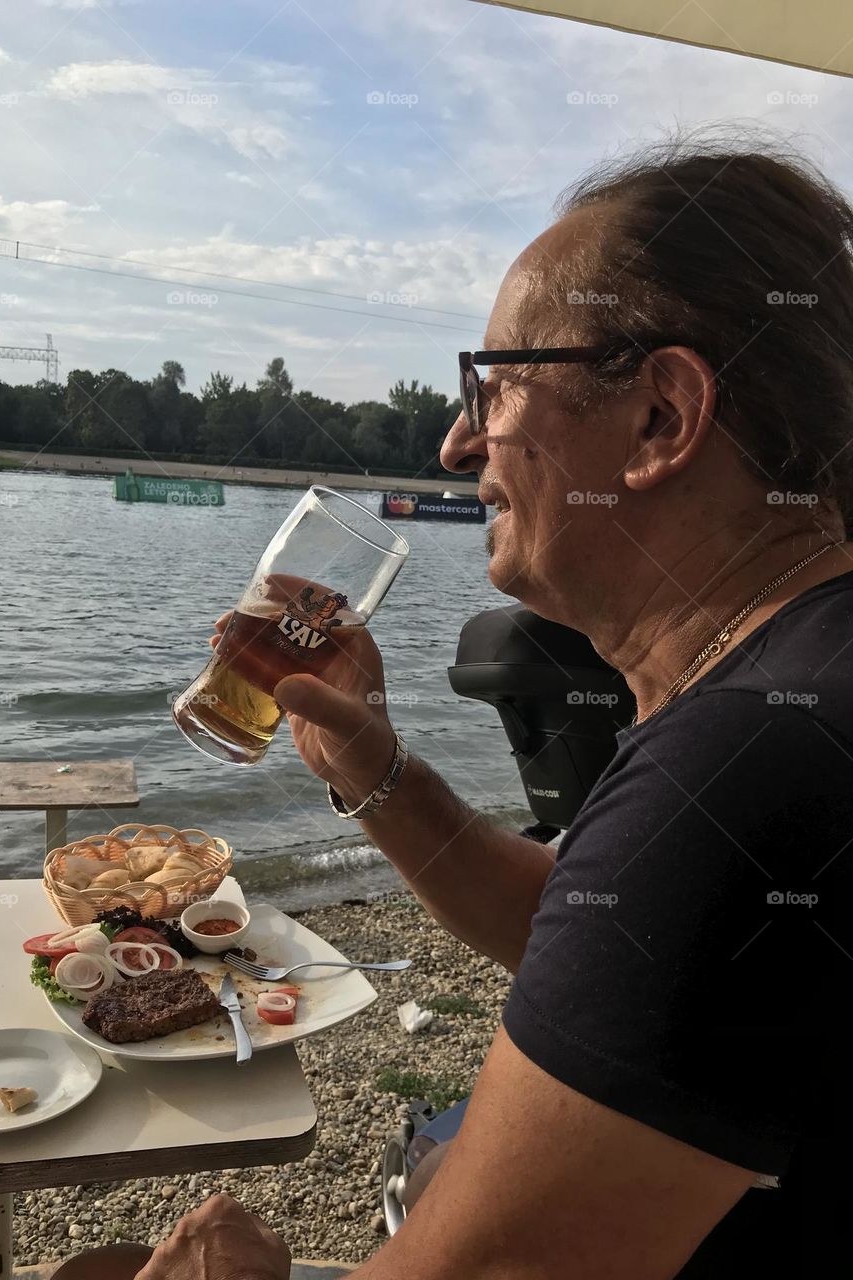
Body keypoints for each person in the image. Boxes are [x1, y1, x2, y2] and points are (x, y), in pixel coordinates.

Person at [56, 133, 852, 1279]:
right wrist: (370, 774)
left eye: (496, 382)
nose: (457, 438)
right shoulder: (790, 688)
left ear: (661, 420)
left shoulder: (750, 759)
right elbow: (595, 932)